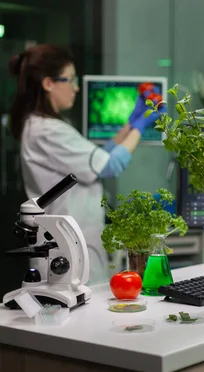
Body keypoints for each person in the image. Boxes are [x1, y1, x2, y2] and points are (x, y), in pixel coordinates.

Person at [8, 44, 165, 285]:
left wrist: (130, 125)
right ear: (49, 83)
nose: (76, 88)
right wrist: (140, 127)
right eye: (70, 80)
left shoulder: (43, 126)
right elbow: (110, 166)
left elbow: (95, 158)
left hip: (69, 243)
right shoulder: (48, 130)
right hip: (65, 249)